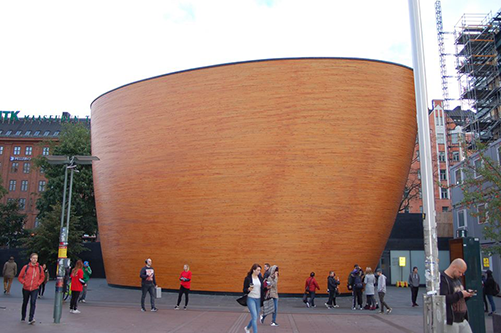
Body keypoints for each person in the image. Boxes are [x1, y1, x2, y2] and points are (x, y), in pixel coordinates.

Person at [440, 258, 474, 332]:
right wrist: (461, 294)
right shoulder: (443, 279)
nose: (461, 275)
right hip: (452, 320)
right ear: (454, 267)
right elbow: (444, 298)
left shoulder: (458, 279)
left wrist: (466, 295)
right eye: (459, 272)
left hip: (462, 318)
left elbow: (460, 296)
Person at [18, 253, 45, 324]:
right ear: (30, 259)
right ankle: (23, 316)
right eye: (33, 258)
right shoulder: (26, 267)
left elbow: (42, 277)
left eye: (36, 258)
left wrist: (38, 283)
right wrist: (24, 282)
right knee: (25, 302)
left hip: (35, 288)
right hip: (26, 288)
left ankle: (31, 318)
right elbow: (20, 277)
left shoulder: (40, 268)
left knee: (33, 303)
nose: (35, 259)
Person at [243, 263, 264, 333]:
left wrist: (267, 287)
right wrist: (248, 289)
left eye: (260, 270)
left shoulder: (260, 278)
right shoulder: (248, 278)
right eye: (258, 270)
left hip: (258, 299)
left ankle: (247, 328)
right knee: (254, 316)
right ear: (253, 270)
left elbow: (262, 288)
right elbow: (244, 290)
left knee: (256, 316)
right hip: (251, 298)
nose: (259, 272)